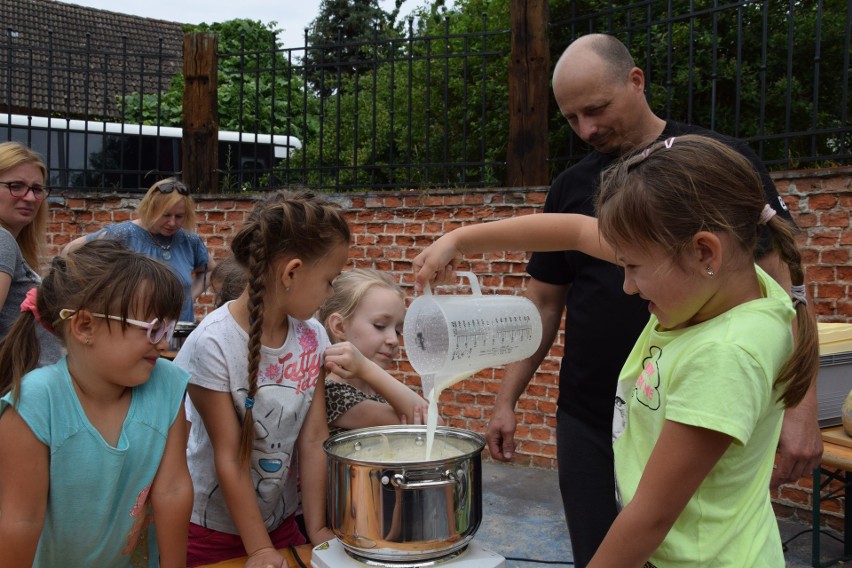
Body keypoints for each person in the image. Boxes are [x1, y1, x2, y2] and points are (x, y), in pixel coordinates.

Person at [459, 33, 821, 566]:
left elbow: (788, 285)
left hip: (685, 411)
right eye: (572, 118)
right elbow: (551, 285)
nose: (587, 130)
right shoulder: (574, 185)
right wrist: (506, 398)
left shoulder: (712, 170)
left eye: (597, 109)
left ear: (636, 81)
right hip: (595, 411)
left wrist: (802, 407)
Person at [174, 188, 347, 568]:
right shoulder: (213, 344)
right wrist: (259, 549)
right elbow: (230, 457)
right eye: (330, 280)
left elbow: (315, 437)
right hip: (213, 533)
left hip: (281, 523)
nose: (330, 293)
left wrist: (317, 530)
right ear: (292, 272)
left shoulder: (312, 334)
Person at [0, 239, 192, 567]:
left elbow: (172, 490)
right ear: (85, 326)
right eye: (153, 330)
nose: (162, 345)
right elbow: (21, 521)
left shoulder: (168, 384)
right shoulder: (33, 404)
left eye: (168, 329)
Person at [62, 177, 215, 323]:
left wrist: (188, 298)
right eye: (166, 215)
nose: (172, 222)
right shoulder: (123, 234)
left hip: (179, 334)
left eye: (179, 216)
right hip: (137, 334)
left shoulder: (188, 240)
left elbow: (210, 270)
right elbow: (69, 251)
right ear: (151, 209)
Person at [318, 268, 429, 435]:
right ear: (339, 326)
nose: (393, 339)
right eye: (380, 326)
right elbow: (433, 426)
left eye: (398, 330)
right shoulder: (332, 394)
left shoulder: (377, 389)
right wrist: (366, 368)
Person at [0, 142, 62, 366]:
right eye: (15, 186)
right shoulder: (2, 239)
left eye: (37, 189)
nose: (29, 197)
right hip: (18, 392)